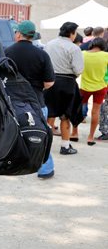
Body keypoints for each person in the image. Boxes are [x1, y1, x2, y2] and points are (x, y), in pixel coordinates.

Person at [5, 20, 56, 179]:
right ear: (32, 36)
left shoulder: (6, 52)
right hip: (36, 102)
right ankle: (45, 169)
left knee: (11, 134)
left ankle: (10, 164)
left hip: (11, 103)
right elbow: (49, 82)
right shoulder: (42, 54)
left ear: (18, 34)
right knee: (40, 134)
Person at [44, 22, 84, 155]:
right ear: (72, 33)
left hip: (50, 81)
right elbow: (78, 70)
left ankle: (44, 144)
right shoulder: (74, 48)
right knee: (65, 115)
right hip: (67, 82)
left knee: (49, 113)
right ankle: (65, 146)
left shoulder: (49, 44)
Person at [77, 38, 108, 144]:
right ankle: (90, 137)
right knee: (95, 112)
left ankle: (74, 132)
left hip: (84, 87)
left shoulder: (82, 54)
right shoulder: (106, 56)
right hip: (101, 87)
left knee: (78, 109)